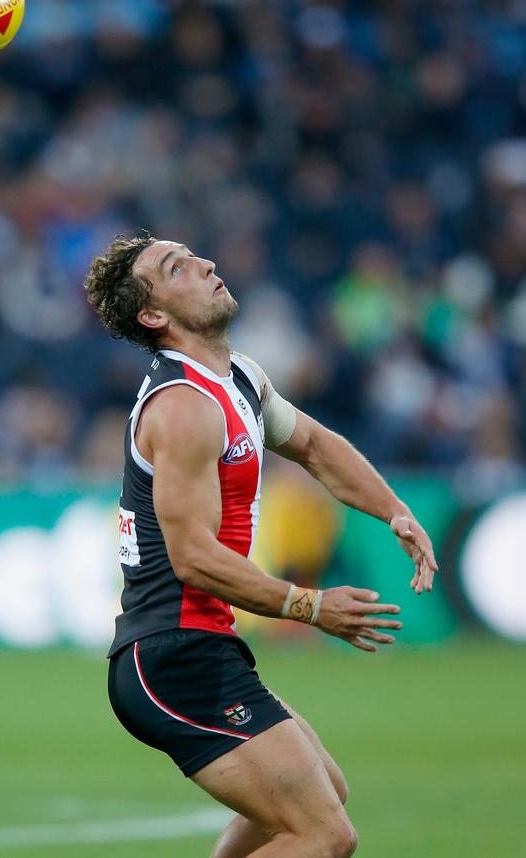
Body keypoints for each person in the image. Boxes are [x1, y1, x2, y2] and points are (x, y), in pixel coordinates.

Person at [84, 232, 439, 858]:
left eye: (194, 255)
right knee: (325, 835)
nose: (206, 264)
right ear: (154, 314)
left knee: (326, 793)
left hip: (199, 644)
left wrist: (394, 511)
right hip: (169, 655)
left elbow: (314, 445)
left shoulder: (238, 377)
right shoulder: (182, 407)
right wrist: (310, 606)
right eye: (178, 267)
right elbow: (192, 557)